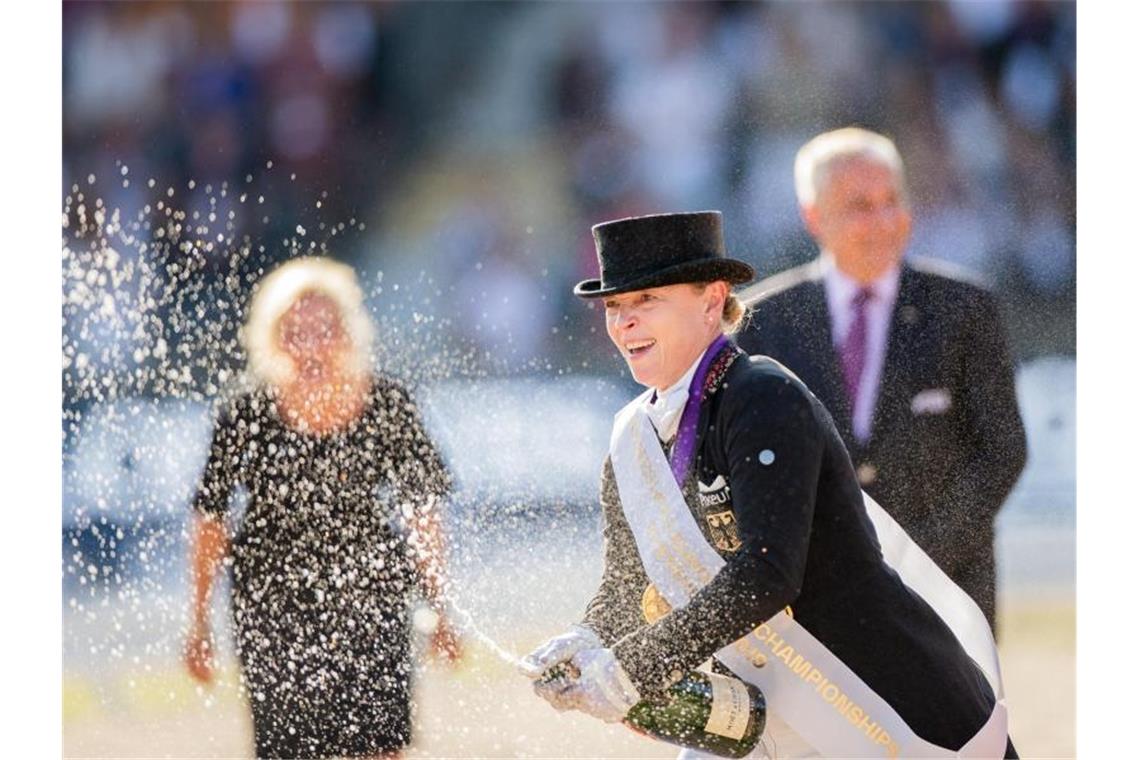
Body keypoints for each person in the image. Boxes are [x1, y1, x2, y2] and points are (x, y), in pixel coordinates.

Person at [521, 211, 1016, 758]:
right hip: (771, 711)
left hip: (884, 697)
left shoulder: (761, 396)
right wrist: (589, 638)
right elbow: (630, 584)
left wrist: (636, 665)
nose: (625, 323)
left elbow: (767, 572)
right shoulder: (631, 438)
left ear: (712, 299)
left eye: (647, 301)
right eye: (615, 307)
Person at [735, 127, 1027, 632]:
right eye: (859, 206)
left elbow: (1002, 450)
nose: (884, 220)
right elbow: (745, 461)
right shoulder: (762, 322)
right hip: (813, 602)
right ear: (813, 217)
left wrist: (918, 556)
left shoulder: (965, 309)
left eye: (893, 200)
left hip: (948, 595)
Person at [183, 256, 460, 759]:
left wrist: (441, 608)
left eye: (324, 329)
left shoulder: (388, 404)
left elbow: (422, 512)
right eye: (294, 331)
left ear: (349, 334)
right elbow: (210, 520)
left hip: (372, 598)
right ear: (270, 337)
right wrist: (199, 622)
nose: (310, 345)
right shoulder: (244, 412)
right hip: (273, 606)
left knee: (380, 749)